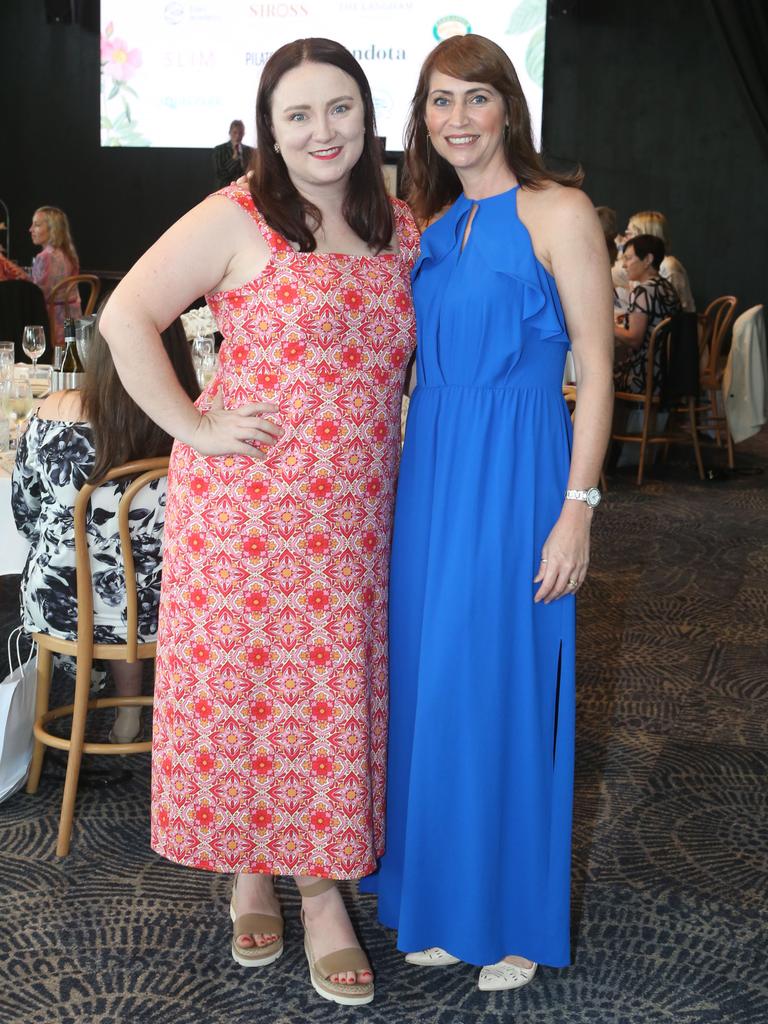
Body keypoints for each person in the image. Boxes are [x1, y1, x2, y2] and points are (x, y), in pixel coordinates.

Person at [100, 38, 418, 1007]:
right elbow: (125, 317)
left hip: (358, 519)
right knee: (249, 694)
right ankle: (263, 875)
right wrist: (193, 423)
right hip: (247, 514)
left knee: (329, 701)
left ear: (368, 117)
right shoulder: (236, 214)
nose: (322, 131)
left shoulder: (401, 225)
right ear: (269, 129)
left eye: (340, 109)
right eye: (298, 114)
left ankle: (318, 886)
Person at [359, 34, 614, 992]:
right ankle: (435, 893)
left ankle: (509, 910)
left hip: (519, 470)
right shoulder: (427, 221)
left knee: (502, 676)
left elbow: (597, 369)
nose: (456, 119)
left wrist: (578, 509)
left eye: (474, 98)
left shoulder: (560, 211)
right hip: (432, 469)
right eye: (437, 102)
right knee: (430, 678)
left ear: (508, 106)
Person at [11, 313, 200, 744]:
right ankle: (129, 708)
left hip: (61, 603)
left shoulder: (50, 413)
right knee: (129, 577)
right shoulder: (197, 422)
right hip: (165, 606)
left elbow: (25, 514)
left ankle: (81, 684)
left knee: (87, 571)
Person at [613, 233, 681, 396]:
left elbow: (634, 339)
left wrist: (606, 325)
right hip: (671, 372)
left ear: (648, 259)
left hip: (645, 376)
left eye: (628, 258)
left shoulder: (643, 291)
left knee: (595, 379)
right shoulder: (667, 288)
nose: (624, 265)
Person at [615, 209, 694, 312]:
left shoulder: (668, 266)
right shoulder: (639, 267)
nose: (626, 238)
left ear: (645, 236)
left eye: (630, 233)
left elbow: (672, 313)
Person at [29, 206, 82, 347]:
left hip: (52, 323)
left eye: (37, 225)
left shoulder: (45, 257)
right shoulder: (69, 254)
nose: (31, 230)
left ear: (53, 229)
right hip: (73, 319)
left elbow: (36, 294)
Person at [212, 119, 255, 187]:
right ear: (230, 132)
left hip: (244, 189)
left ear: (243, 134)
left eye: (240, 133)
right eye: (235, 132)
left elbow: (252, 171)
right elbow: (220, 174)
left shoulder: (250, 150)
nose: (238, 136)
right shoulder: (219, 149)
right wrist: (234, 159)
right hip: (225, 189)